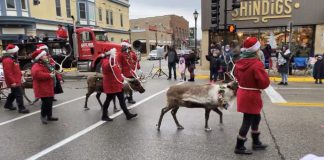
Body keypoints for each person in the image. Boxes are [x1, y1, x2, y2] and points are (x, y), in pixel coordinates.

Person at [234, 37, 270, 155]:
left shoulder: (239, 62)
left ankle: (256, 141)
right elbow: (264, 83)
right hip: (251, 95)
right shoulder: (256, 64)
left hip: (243, 92)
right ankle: (239, 146)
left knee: (256, 117)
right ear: (255, 50)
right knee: (248, 120)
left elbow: (236, 76)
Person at [101, 48, 137, 121]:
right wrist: (111, 60)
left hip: (117, 84)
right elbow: (106, 68)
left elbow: (117, 71)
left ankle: (128, 115)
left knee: (121, 100)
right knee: (108, 100)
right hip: (111, 85)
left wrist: (122, 79)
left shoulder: (113, 60)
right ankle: (104, 116)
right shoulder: (105, 61)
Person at [31, 49, 58, 124]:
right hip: (42, 88)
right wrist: (49, 75)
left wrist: (56, 74)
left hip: (48, 86)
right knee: (46, 103)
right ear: (40, 57)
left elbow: (52, 71)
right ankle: (43, 116)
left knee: (49, 103)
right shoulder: (36, 66)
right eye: (44, 55)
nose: (46, 56)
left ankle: (49, 116)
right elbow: (37, 74)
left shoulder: (46, 64)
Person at [2, 44, 30, 113]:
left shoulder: (12, 59)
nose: (18, 53)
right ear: (13, 52)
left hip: (16, 79)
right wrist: (12, 82)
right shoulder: (7, 60)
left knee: (14, 93)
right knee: (19, 94)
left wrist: (21, 73)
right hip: (13, 80)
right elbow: (8, 72)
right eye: (17, 51)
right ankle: (21, 108)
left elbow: (15, 69)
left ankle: (8, 104)